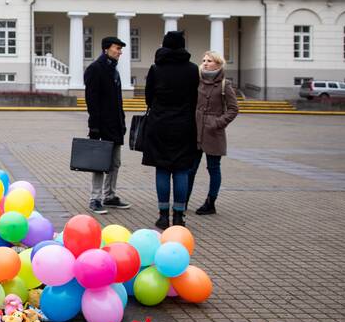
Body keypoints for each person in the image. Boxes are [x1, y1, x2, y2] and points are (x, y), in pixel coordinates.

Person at [141, 30, 199, 229]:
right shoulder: (192, 70)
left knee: (162, 169)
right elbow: (195, 99)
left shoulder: (156, 69)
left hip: (159, 125)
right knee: (182, 170)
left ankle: (163, 215)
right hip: (184, 125)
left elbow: (148, 98)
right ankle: (179, 216)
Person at [186, 50, 239, 215]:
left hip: (213, 133)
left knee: (214, 168)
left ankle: (210, 202)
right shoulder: (196, 81)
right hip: (195, 131)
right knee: (190, 169)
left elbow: (233, 109)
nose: (205, 63)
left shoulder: (225, 84)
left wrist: (217, 123)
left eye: (209, 60)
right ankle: (183, 201)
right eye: (203, 60)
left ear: (218, 64)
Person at [83, 36, 130, 215]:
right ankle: (95, 198)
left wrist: (122, 121)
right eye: (117, 48)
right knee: (99, 163)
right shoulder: (96, 69)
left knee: (115, 162)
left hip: (115, 124)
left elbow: (117, 101)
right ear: (106, 49)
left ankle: (109, 196)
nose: (120, 52)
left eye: (120, 49)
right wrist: (94, 126)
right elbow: (91, 100)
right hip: (101, 125)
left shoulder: (114, 70)